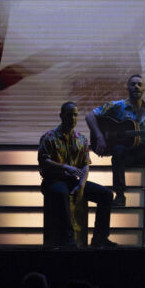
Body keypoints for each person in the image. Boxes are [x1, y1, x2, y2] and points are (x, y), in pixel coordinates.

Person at [86, 74, 145, 247]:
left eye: (139, 84)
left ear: (144, 88)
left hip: (143, 152)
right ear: (128, 87)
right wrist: (99, 137)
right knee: (119, 149)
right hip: (123, 153)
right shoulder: (117, 106)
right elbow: (90, 116)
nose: (136, 87)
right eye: (133, 84)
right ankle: (120, 194)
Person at [38, 102, 115, 248]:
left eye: (75, 115)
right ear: (61, 116)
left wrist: (82, 185)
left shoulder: (81, 139)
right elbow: (44, 161)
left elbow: (85, 164)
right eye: (69, 115)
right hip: (52, 180)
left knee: (106, 194)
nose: (73, 118)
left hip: (72, 181)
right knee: (62, 193)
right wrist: (65, 167)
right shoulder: (49, 137)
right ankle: (68, 238)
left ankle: (100, 238)